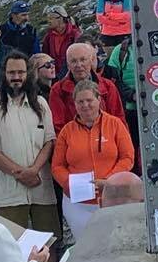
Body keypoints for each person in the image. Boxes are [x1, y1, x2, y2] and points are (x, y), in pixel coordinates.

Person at [0, 51, 59, 233]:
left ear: (28, 74)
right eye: (11, 73)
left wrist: (33, 171)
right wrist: (20, 174)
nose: (16, 77)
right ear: (4, 74)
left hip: (41, 188)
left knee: (48, 242)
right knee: (11, 245)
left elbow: (49, 141)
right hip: (11, 193)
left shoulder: (41, 104)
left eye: (21, 73)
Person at [53, 80, 135, 213]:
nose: (85, 105)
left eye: (89, 100)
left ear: (98, 100)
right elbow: (57, 166)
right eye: (80, 102)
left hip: (112, 198)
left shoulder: (115, 124)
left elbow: (127, 157)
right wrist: (69, 184)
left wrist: (108, 181)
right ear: (75, 104)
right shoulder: (67, 131)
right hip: (78, 203)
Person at [49, 40, 127, 127]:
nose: (79, 65)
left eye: (83, 60)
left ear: (91, 61)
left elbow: (119, 120)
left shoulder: (108, 86)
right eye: (73, 61)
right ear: (68, 65)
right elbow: (58, 126)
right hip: (73, 138)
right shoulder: (58, 90)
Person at [41, 5, 80, 70]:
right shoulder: (49, 37)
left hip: (71, 71)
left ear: (60, 19)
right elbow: (45, 55)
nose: (48, 21)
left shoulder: (74, 34)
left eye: (51, 18)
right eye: (48, 18)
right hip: (54, 74)